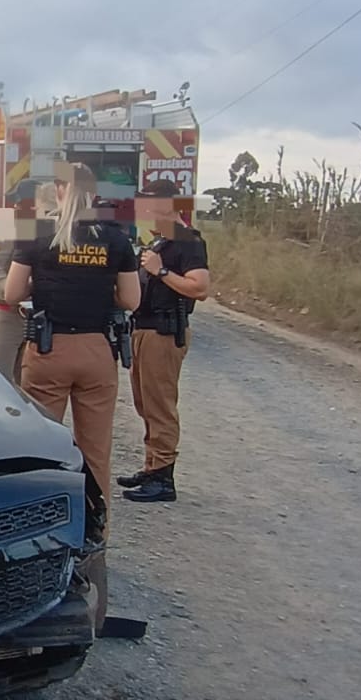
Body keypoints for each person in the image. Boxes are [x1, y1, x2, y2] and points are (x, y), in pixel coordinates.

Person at [3, 162, 140, 534]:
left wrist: (45, 287)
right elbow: (131, 300)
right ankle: (95, 533)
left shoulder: (38, 233)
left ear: (60, 190)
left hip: (50, 349)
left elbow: (12, 292)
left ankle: (42, 531)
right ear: (93, 193)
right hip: (97, 351)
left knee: (42, 446)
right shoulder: (116, 238)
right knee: (95, 450)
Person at [117, 179, 210, 503]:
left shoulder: (186, 240)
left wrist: (161, 272)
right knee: (145, 403)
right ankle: (152, 466)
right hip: (145, 330)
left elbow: (200, 287)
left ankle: (163, 478)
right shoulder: (160, 241)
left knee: (160, 406)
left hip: (164, 331)